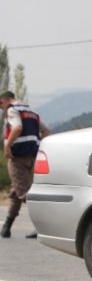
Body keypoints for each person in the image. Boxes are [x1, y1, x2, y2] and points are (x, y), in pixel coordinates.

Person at [0, 91, 50, 239]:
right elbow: (46, 131)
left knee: (25, 193)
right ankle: (7, 226)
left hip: (17, 158)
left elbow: (17, 128)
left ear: (5, 100)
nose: (1, 108)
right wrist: (36, 143)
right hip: (32, 156)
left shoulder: (12, 110)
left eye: (0, 104)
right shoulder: (32, 112)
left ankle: (43, 227)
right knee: (17, 191)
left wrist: (8, 146)